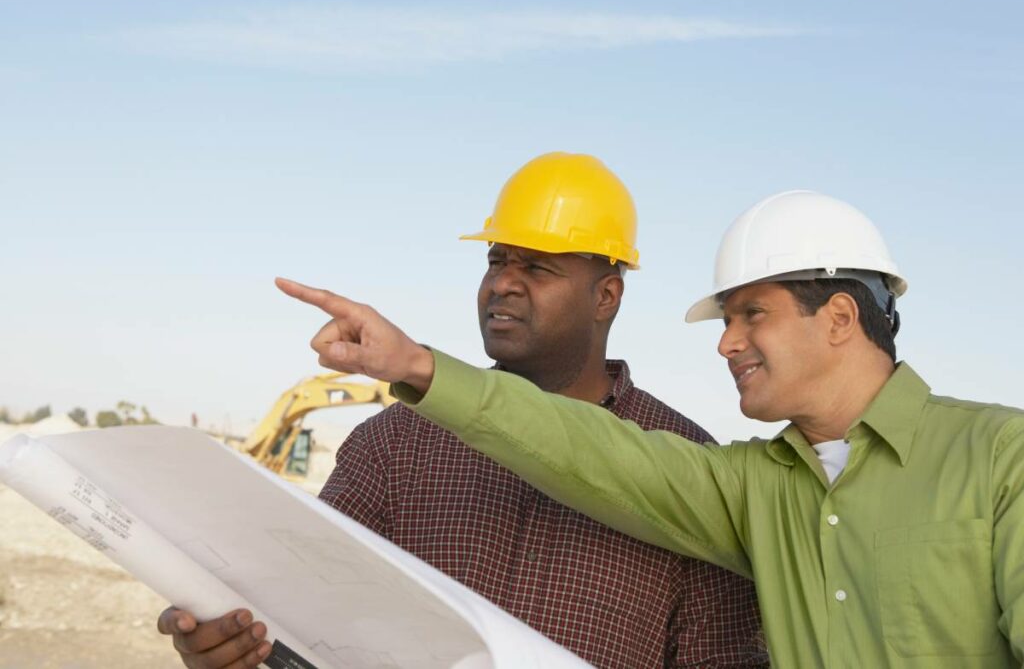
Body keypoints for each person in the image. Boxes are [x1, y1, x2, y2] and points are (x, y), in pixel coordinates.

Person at [279, 189, 1024, 667]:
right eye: (726, 319)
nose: (726, 343)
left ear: (837, 317)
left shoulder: (999, 456)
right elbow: (588, 447)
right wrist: (415, 363)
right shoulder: (746, 486)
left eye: (751, 315)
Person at [160, 153, 766, 668]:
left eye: (537, 267)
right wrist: (235, 643)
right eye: (497, 261)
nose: (503, 283)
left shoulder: (690, 473)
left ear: (605, 296)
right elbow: (304, 620)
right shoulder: (395, 445)